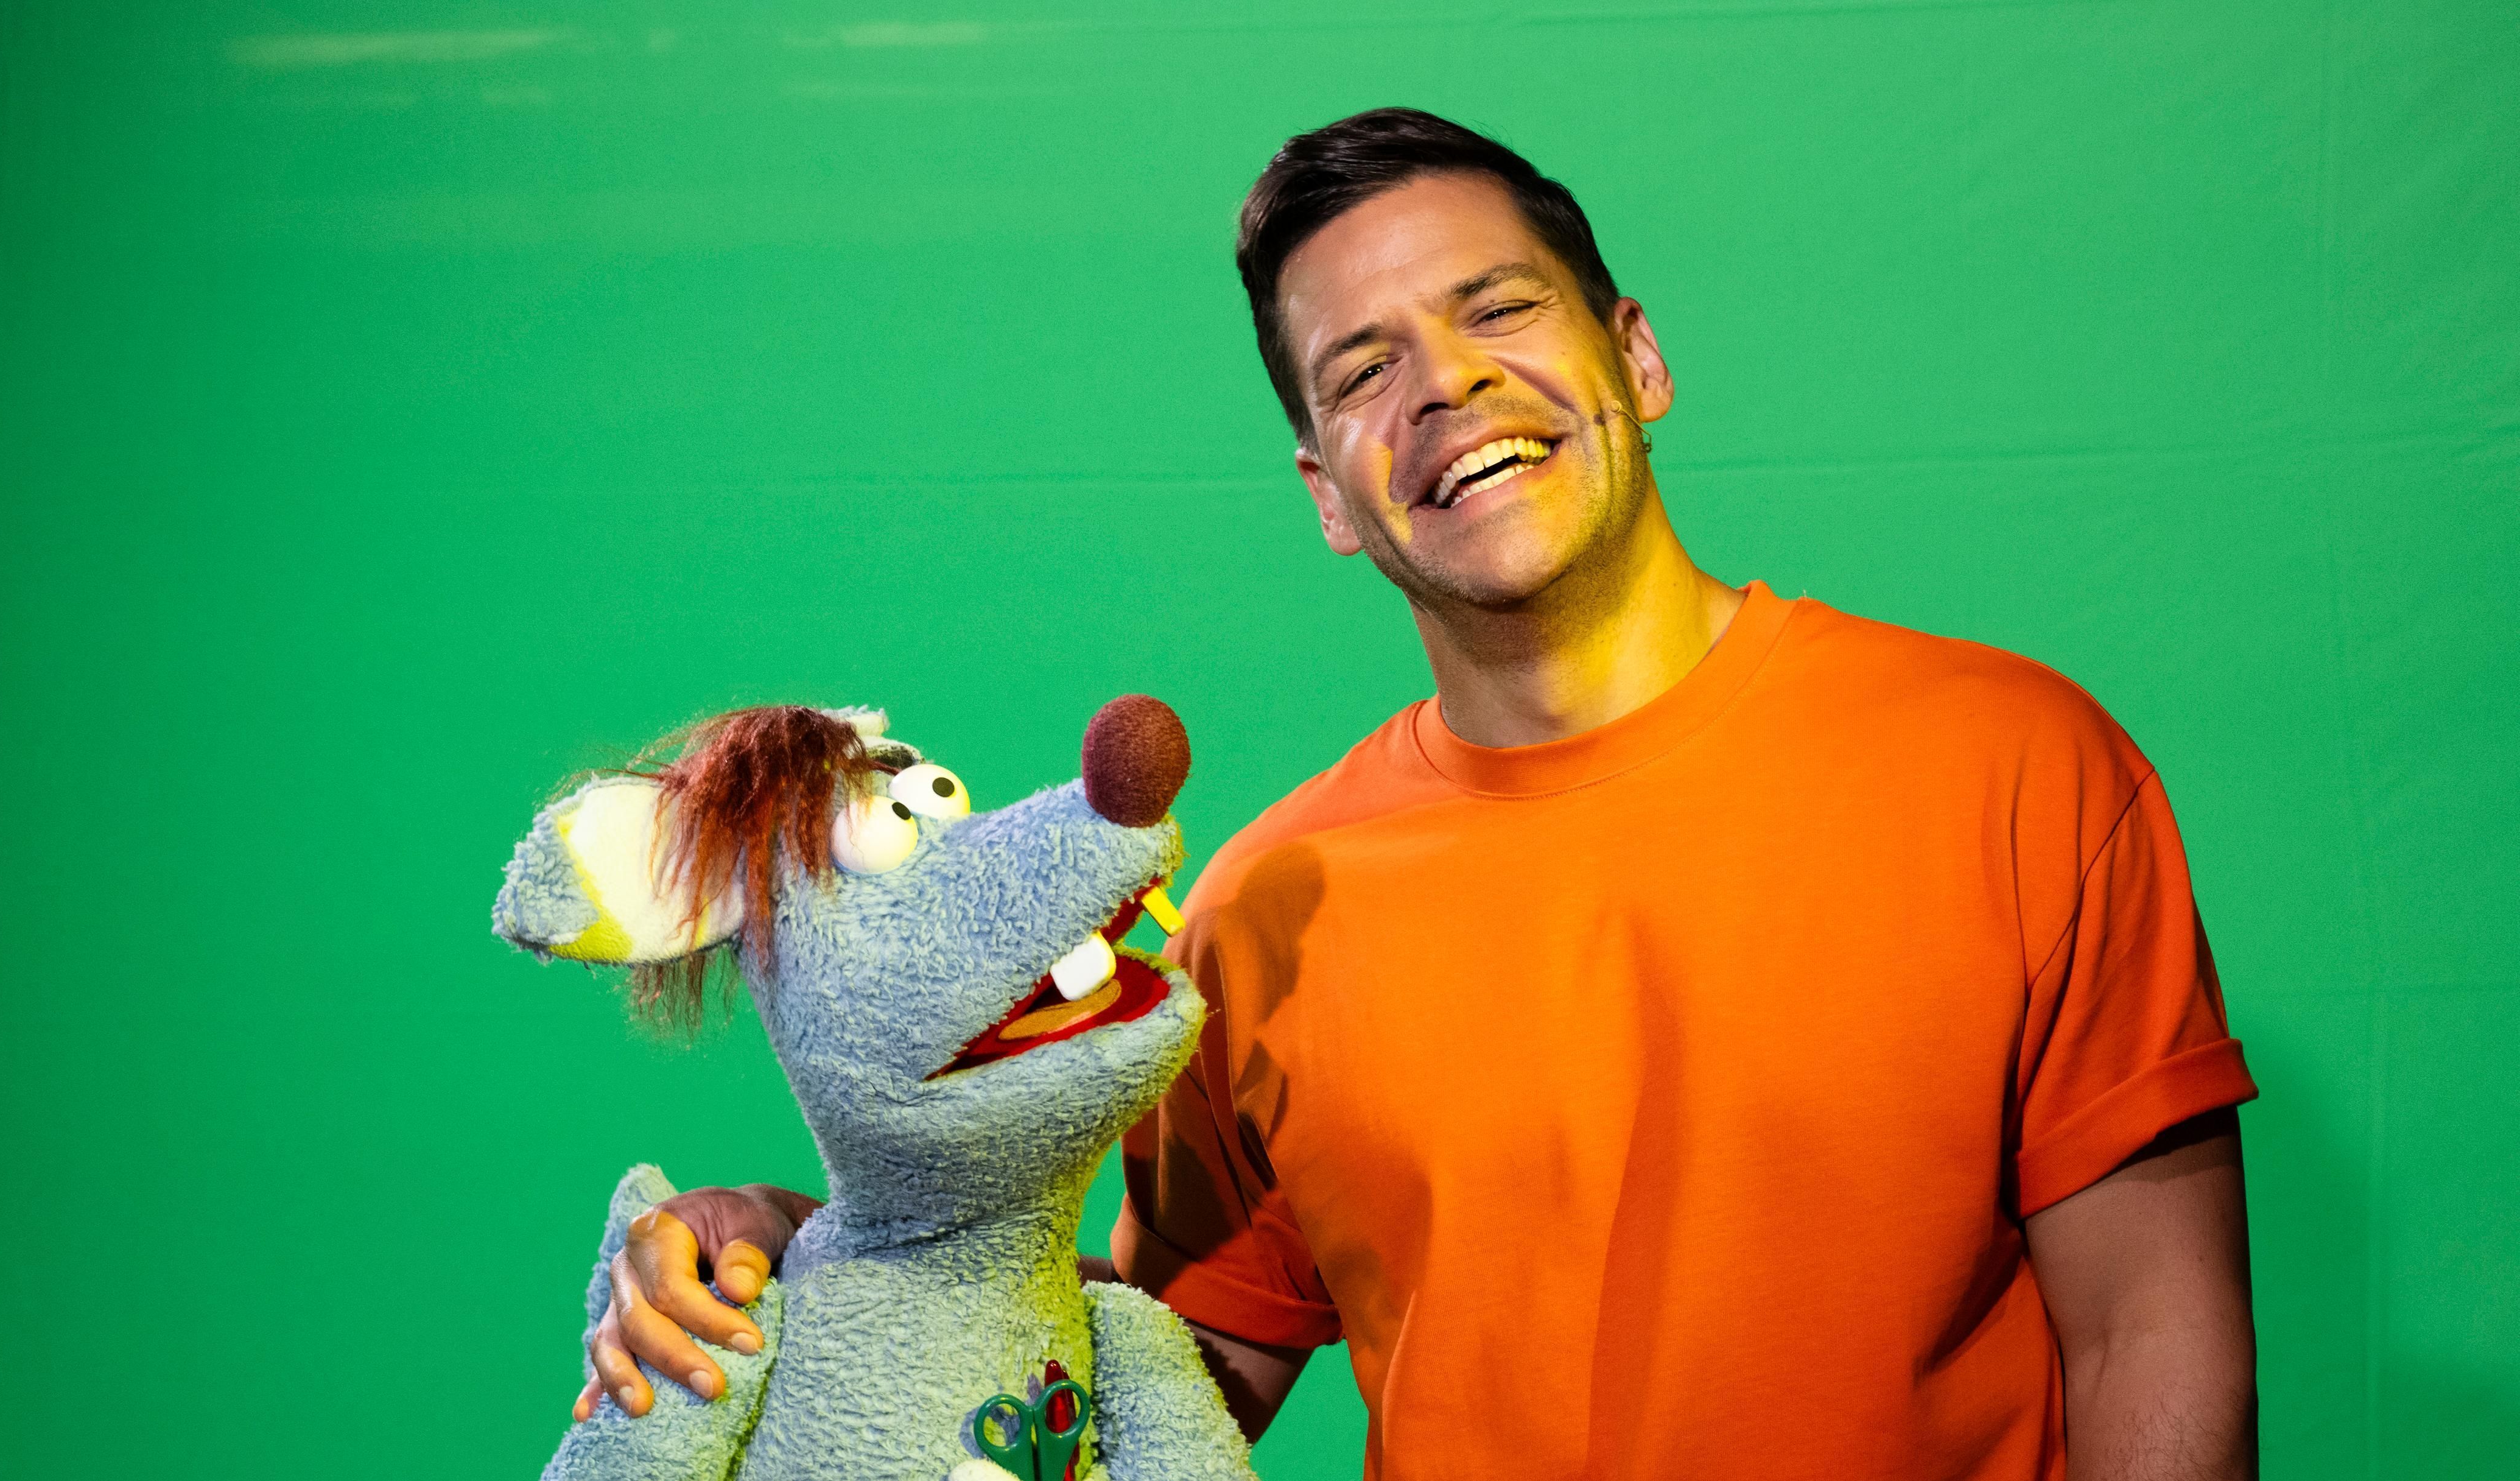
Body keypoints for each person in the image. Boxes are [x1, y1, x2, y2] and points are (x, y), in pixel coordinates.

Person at [575, 109, 2259, 1481]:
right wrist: (807, 1248)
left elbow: (2151, 1340)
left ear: (1638, 357)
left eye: (1498, 308)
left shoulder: (2013, 765)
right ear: (1328, 491)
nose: (1445, 381)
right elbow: (1136, 1378)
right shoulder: (1267, 910)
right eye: (1363, 367)